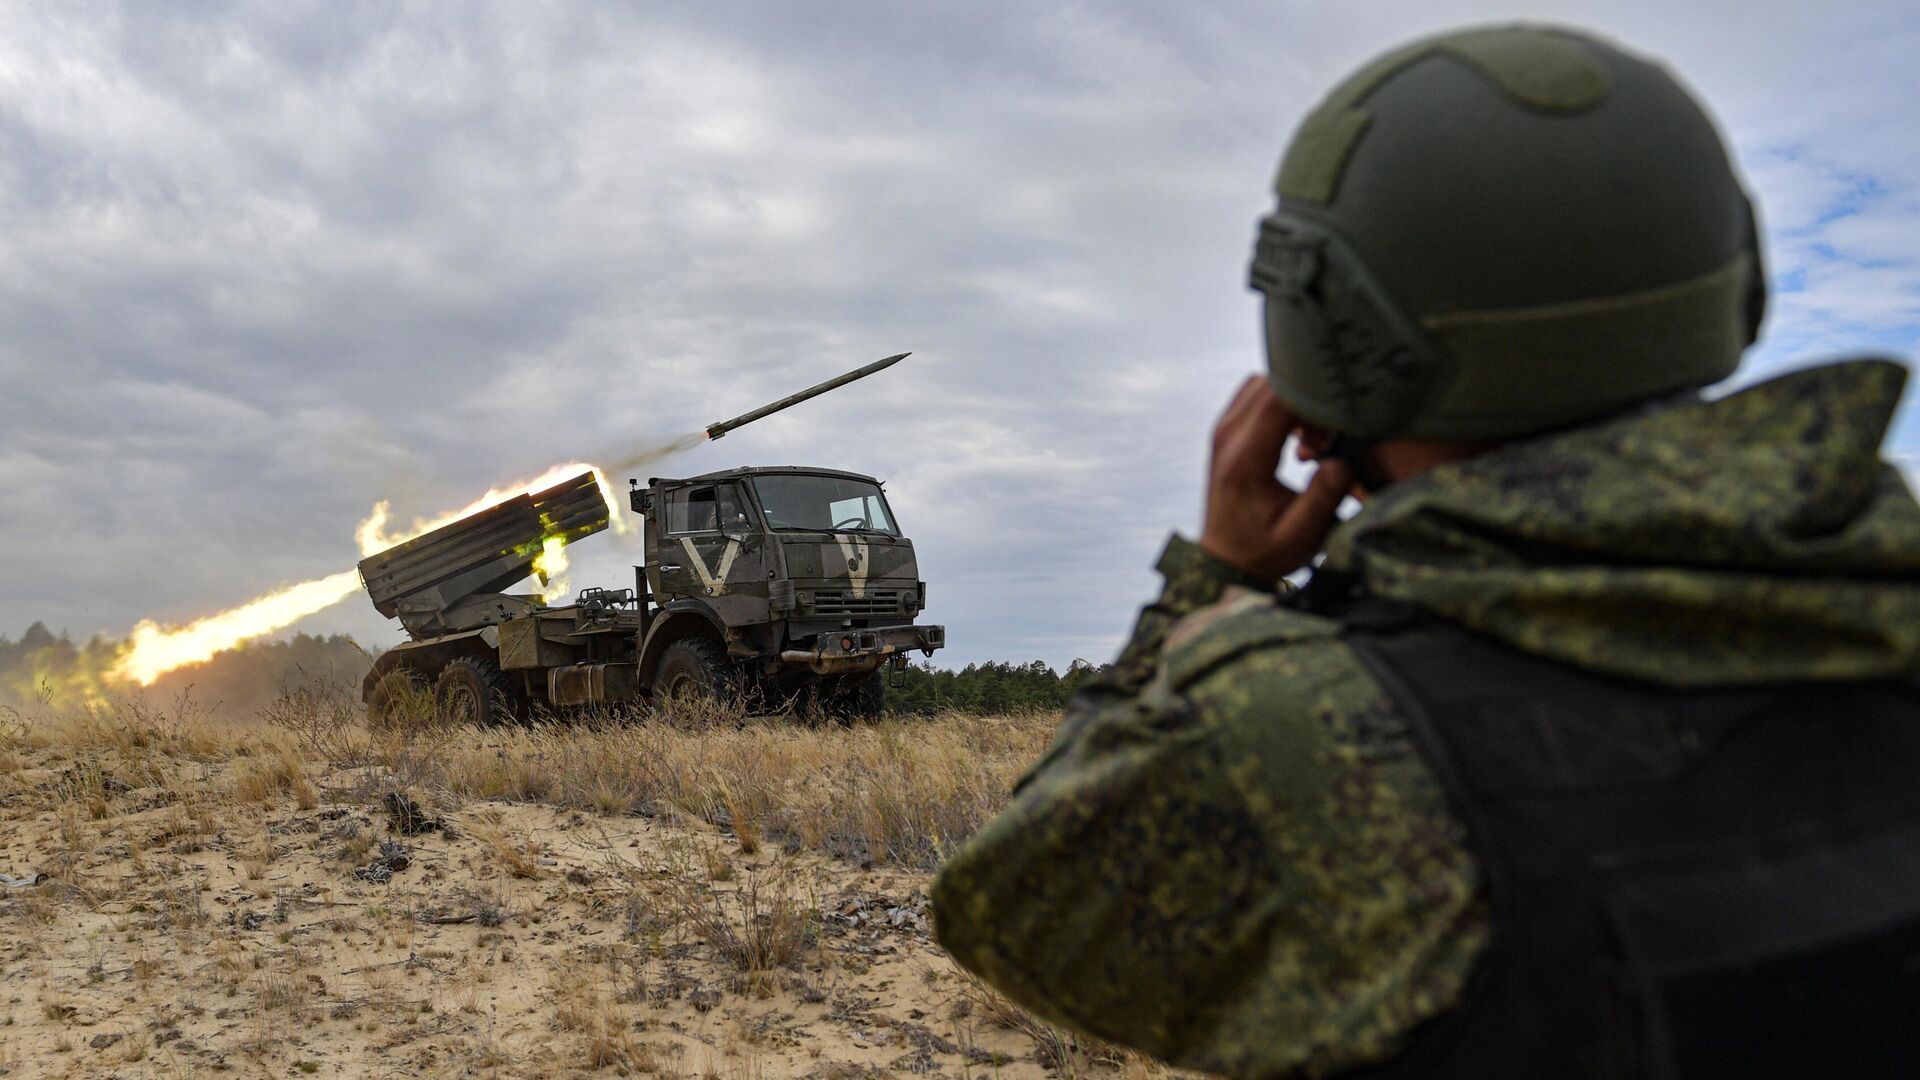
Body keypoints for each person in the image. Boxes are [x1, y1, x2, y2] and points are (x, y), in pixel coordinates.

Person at [932, 23, 1920, 1079]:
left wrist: (1217, 585)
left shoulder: (1309, 728)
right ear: (1738, 280)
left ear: (1332, 341)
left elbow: (1011, 908)